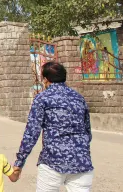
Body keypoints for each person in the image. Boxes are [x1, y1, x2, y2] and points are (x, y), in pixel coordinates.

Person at [14, 62, 93, 191]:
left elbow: (32, 133)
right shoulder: (79, 98)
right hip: (82, 164)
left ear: (45, 80)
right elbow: (87, 132)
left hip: (52, 163)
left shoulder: (42, 98)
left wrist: (19, 162)